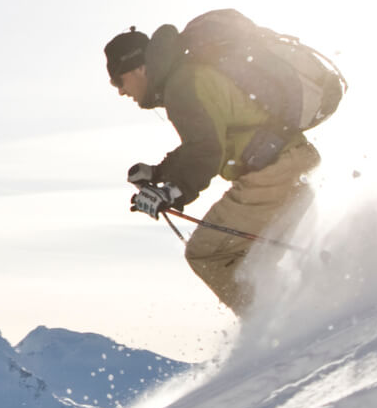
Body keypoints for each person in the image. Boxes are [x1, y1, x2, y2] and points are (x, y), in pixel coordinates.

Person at [105, 22, 320, 316]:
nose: (120, 91)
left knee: (204, 253)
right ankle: (303, 306)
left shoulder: (183, 83)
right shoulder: (187, 74)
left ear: (139, 68)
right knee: (254, 257)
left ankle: (275, 324)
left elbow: (207, 150)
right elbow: (202, 142)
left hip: (273, 173)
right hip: (287, 162)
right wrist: (159, 174)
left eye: (119, 80)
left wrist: (170, 193)